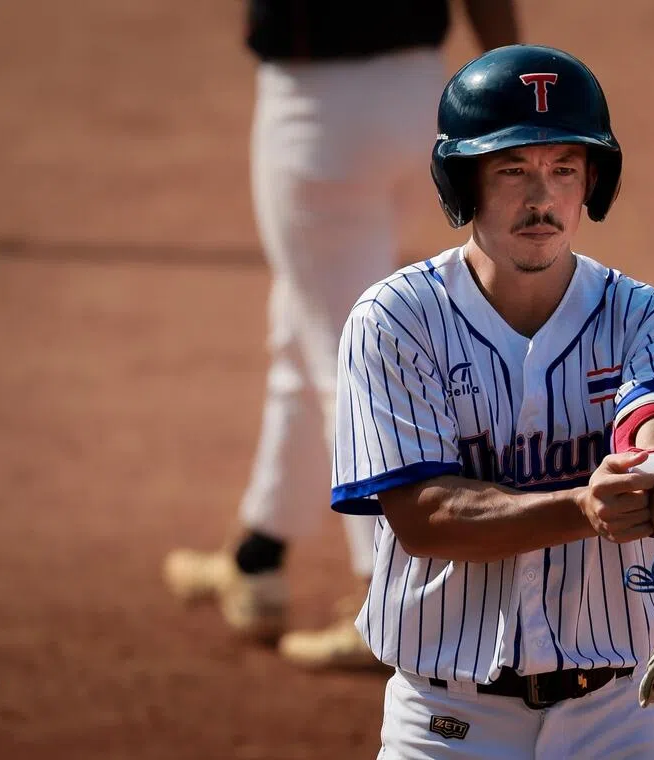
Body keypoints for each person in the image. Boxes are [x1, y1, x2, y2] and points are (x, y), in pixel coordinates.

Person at [331, 44, 654, 758]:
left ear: (592, 185)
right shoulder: (397, 319)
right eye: (511, 169)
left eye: (563, 170)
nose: (541, 198)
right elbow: (424, 516)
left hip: (614, 719)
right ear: (465, 183)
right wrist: (582, 509)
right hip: (448, 724)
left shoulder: (648, 320)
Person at [163, 0, 520, 670]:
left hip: (316, 115)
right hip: (423, 101)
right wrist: (507, 75)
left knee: (342, 357)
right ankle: (258, 556)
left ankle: (392, 601)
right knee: (303, 323)